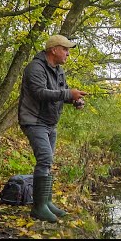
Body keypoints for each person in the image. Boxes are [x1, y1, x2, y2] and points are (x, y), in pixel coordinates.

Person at [18, 34, 86, 223]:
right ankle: (38, 208)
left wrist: (75, 99)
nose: (67, 54)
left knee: (48, 162)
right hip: (33, 120)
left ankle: (46, 202)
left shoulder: (59, 71)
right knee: (45, 158)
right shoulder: (35, 68)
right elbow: (39, 93)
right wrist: (67, 93)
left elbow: (60, 94)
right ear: (53, 49)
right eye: (65, 49)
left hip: (50, 123)